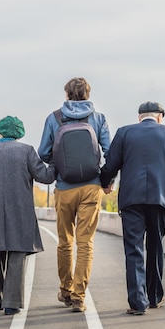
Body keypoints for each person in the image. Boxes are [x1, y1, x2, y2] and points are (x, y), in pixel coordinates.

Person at [100, 101, 165, 315]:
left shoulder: (124, 133)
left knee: (134, 250)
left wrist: (105, 182)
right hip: (160, 200)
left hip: (131, 200)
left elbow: (111, 164)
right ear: (159, 117)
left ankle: (138, 302)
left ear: (140, 117)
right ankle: (155, 297)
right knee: (156, 247)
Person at [0, 116, 55, 315]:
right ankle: (11, 303)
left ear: (0, 132)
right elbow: (45, 176)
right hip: (20, 211)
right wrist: (56, 163)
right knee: (16, 253)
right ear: (19, 133)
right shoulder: (27, 152)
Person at [38, 77, 111, 312]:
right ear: (88, 95)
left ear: (67, 95)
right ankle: (80, 297)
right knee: (86, 243)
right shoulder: (98, 118)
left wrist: (62, 162)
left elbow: (43, 152)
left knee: (65, 242)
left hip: (64, 187)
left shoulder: (55, 118)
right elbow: (110, 151)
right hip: (91, 187)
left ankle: (66, 290)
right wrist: (106, 180)